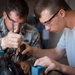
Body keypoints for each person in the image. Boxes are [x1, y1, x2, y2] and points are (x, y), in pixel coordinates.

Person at [16, 0, 75, 75]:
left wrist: (59, 67)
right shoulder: (68, 29)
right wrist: (32, 50)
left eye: (47, 22)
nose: (46, 28)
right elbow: (57, 53)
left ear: (61, 13)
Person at [0, 0, 41, 75]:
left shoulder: (33, 32)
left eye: (22, 23)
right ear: (5, 14)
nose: (17, 29)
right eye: (13, 22)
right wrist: (2, 43)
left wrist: (29, 63)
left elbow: (37, 55)